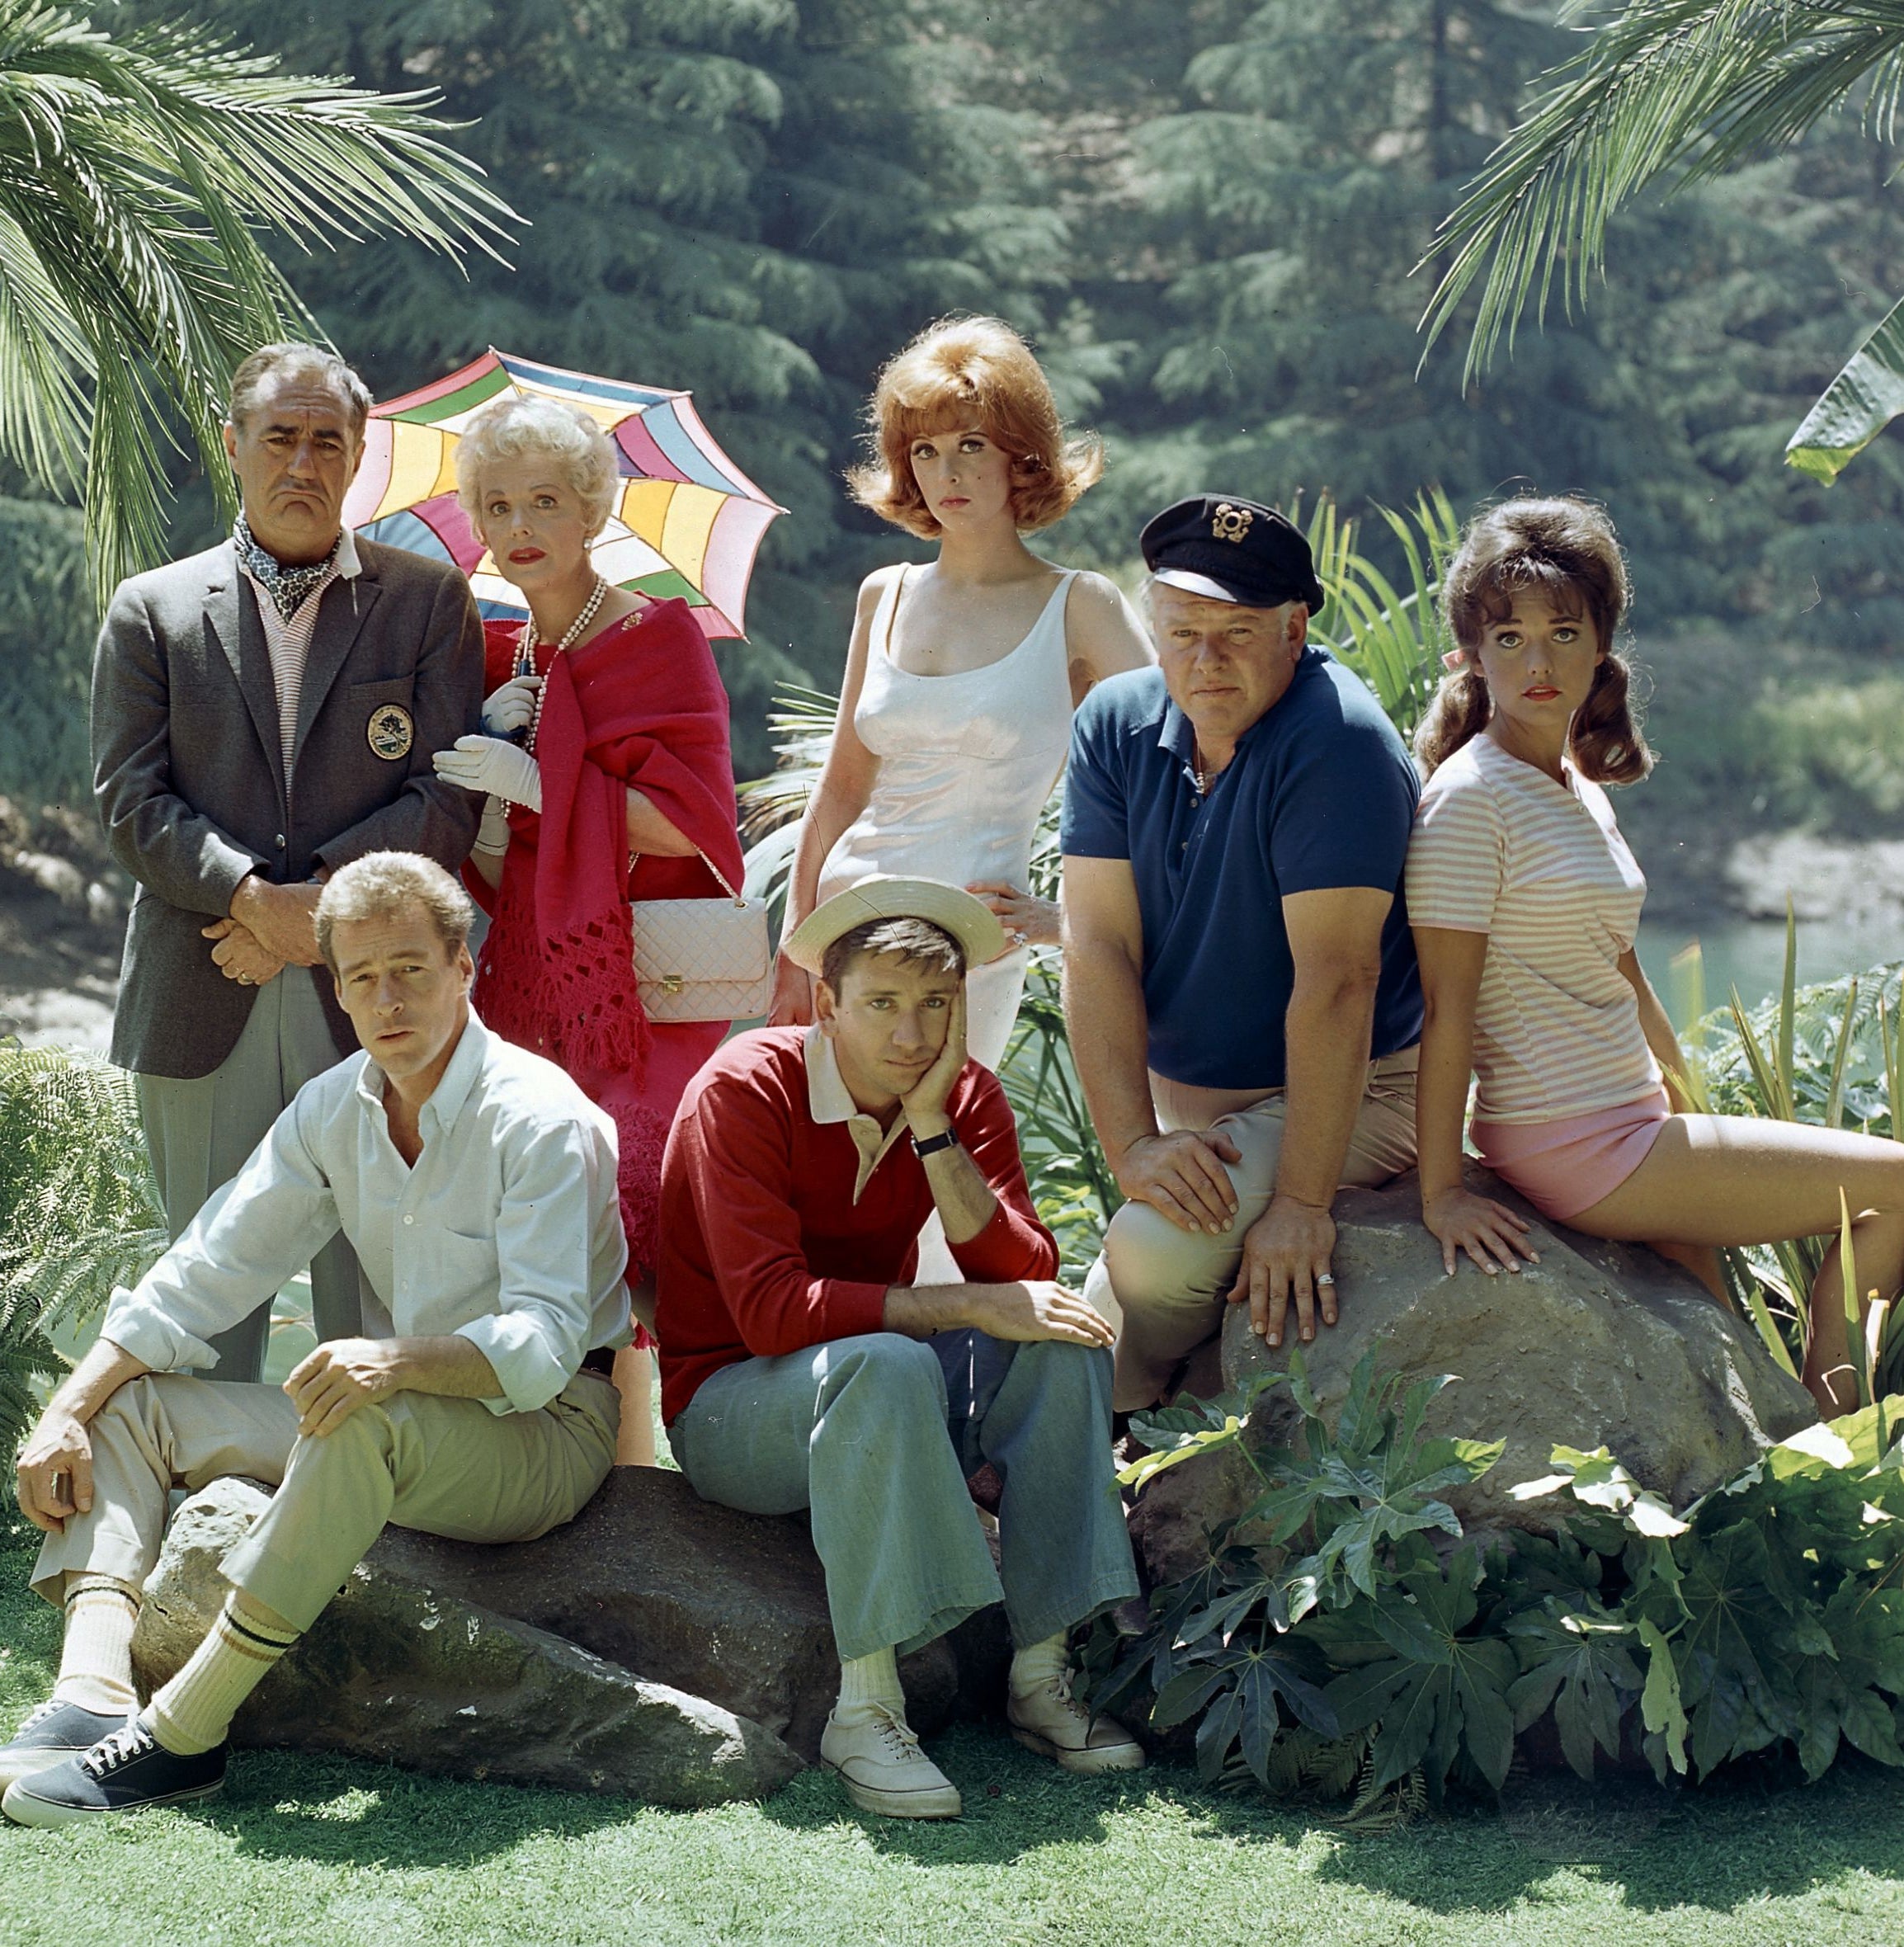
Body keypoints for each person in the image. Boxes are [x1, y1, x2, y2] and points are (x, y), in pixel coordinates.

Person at [1, 853, 628, 1825]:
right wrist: (66, 1409)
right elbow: (206, 1267)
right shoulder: (336, 1105)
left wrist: (395, 1359)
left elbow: (545, 1345)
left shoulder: (540, 1117)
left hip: (546, 1430)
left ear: (464, 966)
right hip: (402, 1420)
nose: (388, 999)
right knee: (128, 1405)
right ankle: (92, 1691)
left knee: (356, 1419)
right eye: (363, 976)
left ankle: (182, 1738)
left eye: (410, 968)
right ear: (336, 988)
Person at [1406, 497, 1904, 1418]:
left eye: (1563, 633)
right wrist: (1440, 1193)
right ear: (1469, 654)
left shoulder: (1572, 782)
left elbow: (1624, 970)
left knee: (1732, 1365)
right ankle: (1839, 1431)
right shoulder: (1470, 801)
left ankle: (1801, 1438)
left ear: (1601, 645)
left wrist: (1687, 1105)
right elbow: (1448, 1006)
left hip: (1632, 1119)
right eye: (1509, 638)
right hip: (1573, 1138)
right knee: (1900, 1186)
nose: (1538, 663)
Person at [657, 876, 1143, 1820]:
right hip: (729, 1408)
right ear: (826, 1004)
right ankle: (866, 1707)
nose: (912, 1033)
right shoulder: (744, 1085)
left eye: (935, 1003)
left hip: (878, 1387)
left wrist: (930, 1129)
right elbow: (769, 1312)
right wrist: (953, 1303)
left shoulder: (958, 1093)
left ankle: (1039, 1675)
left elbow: (1024, 1270)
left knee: (1060, 1339)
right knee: (888, 1357)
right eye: (881, 1002)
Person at [92, 342, 484, 1384]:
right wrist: (252, 899)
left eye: (326, 441)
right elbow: (129, 801)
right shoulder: (152, 609)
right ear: (233, 445)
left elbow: (447, 795)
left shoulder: (427, 602)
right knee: (200, 1308)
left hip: (375, 992)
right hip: (201, 980)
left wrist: (320, 916)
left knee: (379, 1297)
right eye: (279, 438)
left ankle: (382, 1493)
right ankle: (204, 1488)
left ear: (358, 454)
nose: (302, 463)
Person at [429, 394, 743, 1466]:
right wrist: (490, 789)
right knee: (531, 1205)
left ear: (592, 511)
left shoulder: (657, 636)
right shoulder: (497, 655)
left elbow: (693, 824)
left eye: (545, 502)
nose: (519, 525)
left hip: (639, 988)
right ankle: (589, 1462)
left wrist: (545, 781)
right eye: (497, 504)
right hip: (527, 983)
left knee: (631, 1195)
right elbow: (490, 869)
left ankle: (712, 1446)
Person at [1062, 495, 1426, 1412]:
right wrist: (1132, 1146)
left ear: (1294, 629)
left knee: (1150, 1255)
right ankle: (1103, 1414)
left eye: (1236, 633)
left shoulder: (1337, 741)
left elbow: (1340, 981)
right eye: (1183, 632)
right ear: (1154, 627)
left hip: (1358, 1092)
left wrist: (1300, 1204)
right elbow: (1097, 943)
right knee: (1091, 1303)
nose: (1206, 659)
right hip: (1192, 1108)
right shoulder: (1113, 723)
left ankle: (1141, 1408)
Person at [769, 315, 1151, 1069]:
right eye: (925, 451)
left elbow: (1181, 769)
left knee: (946, 1139)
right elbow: (841, 789)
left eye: (971, 445)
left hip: (976, 943)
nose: (947, 473)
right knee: (835, 1143)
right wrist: (793, 949)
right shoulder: (884, 593)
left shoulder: (1081, 605)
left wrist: (1066, 919)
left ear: (1022, 455)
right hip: (845, 931)